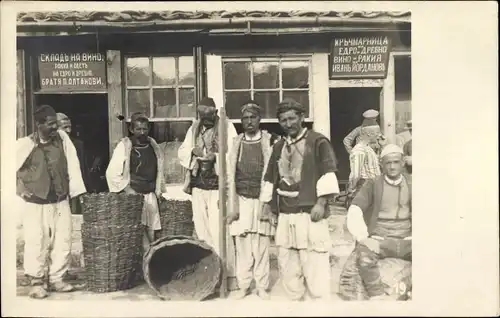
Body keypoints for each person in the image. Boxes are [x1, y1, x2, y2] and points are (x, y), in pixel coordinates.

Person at [260, 98, 340, 301]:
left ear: (302, 117)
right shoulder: (278, 146)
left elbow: (328, 173)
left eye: (292, 118)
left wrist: (321, 203)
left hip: (309, 210)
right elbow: (270, 177)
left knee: (313, 257)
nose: (288, 124)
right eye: (283, 120)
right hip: (286, 211)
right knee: (287, 258)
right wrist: (269, 207)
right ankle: (294, 299)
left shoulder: (318, 141)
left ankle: (318, 301)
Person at [16, 105, 87, 299]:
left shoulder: (63, 140)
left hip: (59, 199)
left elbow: (72, 164)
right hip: (35, 202)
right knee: (36, 240)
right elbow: (6, 168)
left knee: (63, 239)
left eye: (56, 123)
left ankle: (57, 278)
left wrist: (74, 191)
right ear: (39, 124)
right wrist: (19, 188)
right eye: (50, 124)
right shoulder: (25, 144)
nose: (55, 127)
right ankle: (36, 281)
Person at [346, 144, 412, 300]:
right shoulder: (373, 184)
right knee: (364, 256)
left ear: (403, 163)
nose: (392, 166)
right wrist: (363, 238)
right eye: (388, 163)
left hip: (408, 240)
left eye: (396, 162)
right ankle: (378, 295)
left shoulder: (413, 183)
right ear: (381, 164)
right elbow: (355, 208)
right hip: (381, 239)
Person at [226, 101, 276, 300]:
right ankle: (244, 285)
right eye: (245, 118)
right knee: (243, 243)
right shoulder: (236, 142)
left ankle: (262, 286)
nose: (249, 121)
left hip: (261, 198)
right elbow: (230, 172)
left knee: (262, 244)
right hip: (242, 198)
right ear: (241, 121)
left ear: (259, 119)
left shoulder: (268, 141)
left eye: (252, 117)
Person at [178, 97, 238, 253]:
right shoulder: (194, 128)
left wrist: (216, 157)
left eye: (209, 115)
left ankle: (226, 270)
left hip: (217, 186)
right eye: (202, 116)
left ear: (216, 112)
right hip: (198, 185)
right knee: (201, 228)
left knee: (219, 229)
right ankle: (210, 266)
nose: (205, 119)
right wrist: (192, 151)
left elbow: (234, 154)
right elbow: (182, 151)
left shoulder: (227, 126)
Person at [106, 112, 165, 250]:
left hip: (150, 195)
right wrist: (128, 190)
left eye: (145, 129)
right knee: (138, 232)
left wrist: (158, 190)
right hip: (134, 196)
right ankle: (146, 260)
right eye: (138, 129)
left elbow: (159, 169)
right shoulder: (125, 146)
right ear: (132, 129)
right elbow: (112, 172)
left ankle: (150, 262)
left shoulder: (153, 144)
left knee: (152, 232)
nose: (142, 132)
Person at [346, 117, 383, 207]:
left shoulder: (368, 148)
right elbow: (356, 174)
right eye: (377, 133)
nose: (380, 135)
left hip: (371, 188)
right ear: (369, 134)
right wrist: (352, 191)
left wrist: (382, 145)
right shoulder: (359, 150)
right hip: (363, 188)